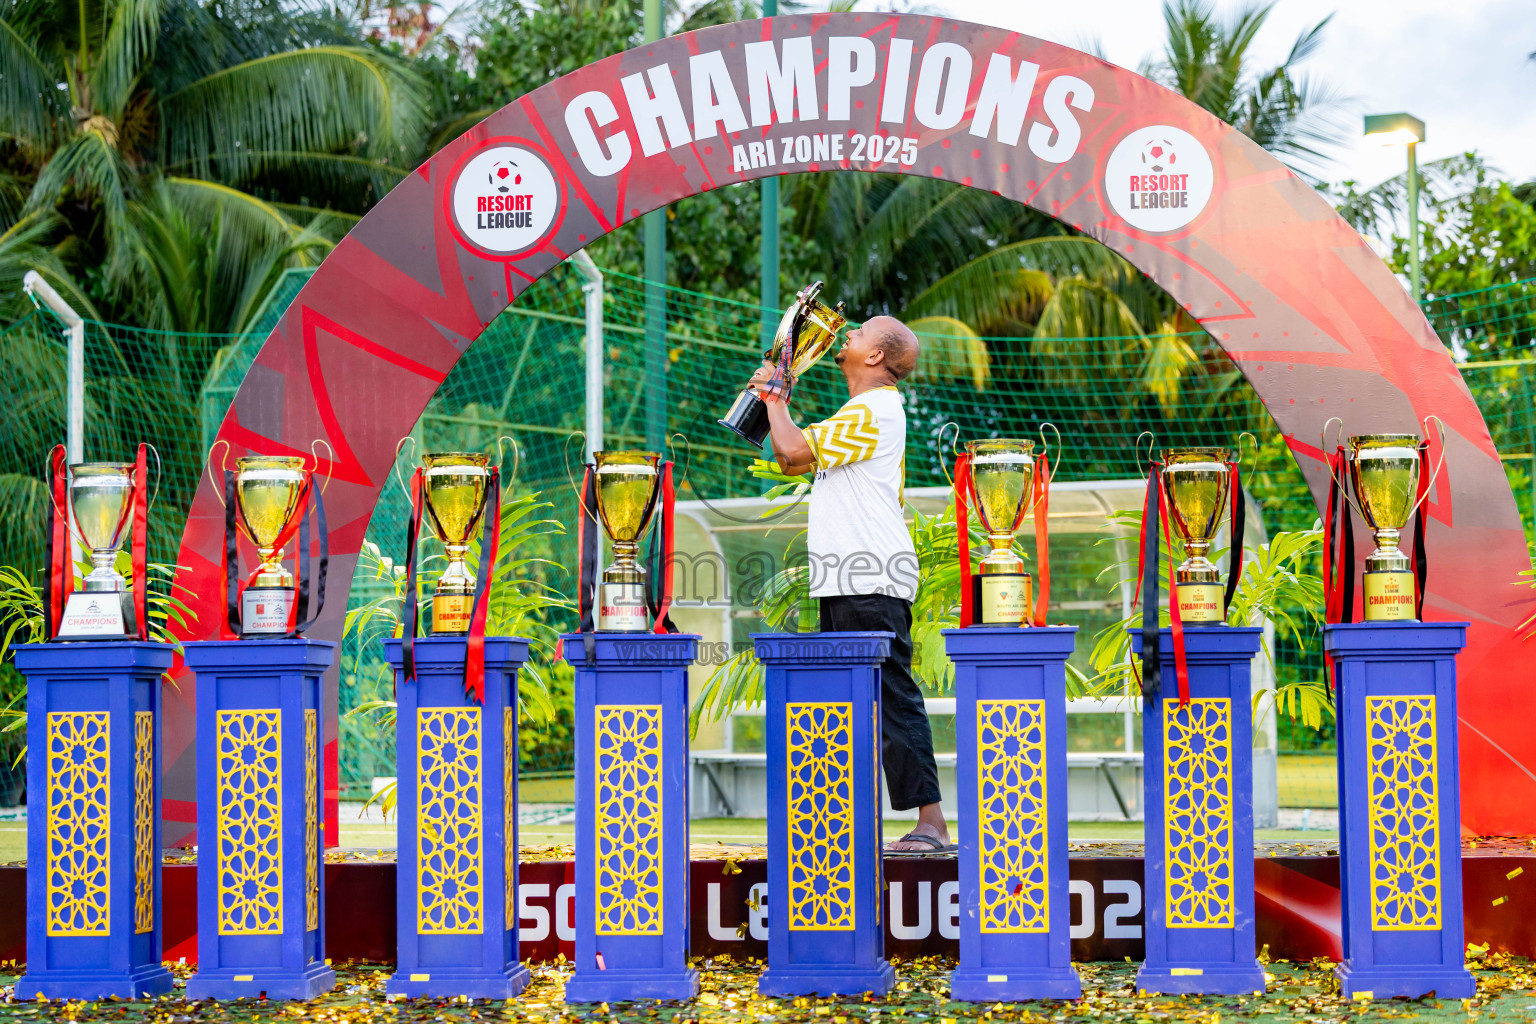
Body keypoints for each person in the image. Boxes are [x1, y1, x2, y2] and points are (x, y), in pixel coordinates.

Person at [747, 315, 950, 852]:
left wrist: (774, 397)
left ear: (877, 357)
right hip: (849, 577)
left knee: (890, 697)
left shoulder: (875, 409)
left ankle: (931, 823)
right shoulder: (862, 412)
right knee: (852, 704)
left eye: (858, 334)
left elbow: (790, 452)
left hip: (871, 575)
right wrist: (775, 401)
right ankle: (859, 830)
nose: (847, 338)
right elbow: (793, 459)